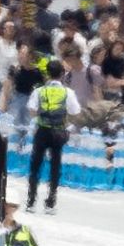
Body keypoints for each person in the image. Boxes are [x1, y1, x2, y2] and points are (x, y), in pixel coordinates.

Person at [26, 59, 80, 215]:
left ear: (47, 74)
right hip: (58, 132)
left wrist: (39, 119)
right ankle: (50, 203)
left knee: (35, 166)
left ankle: (31, 201)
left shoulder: (39, 91)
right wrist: (67, 124)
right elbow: (75, 112)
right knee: (55, 166)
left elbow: (32, 109)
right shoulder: (67, 92)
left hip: (42, 131)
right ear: (62, 74)